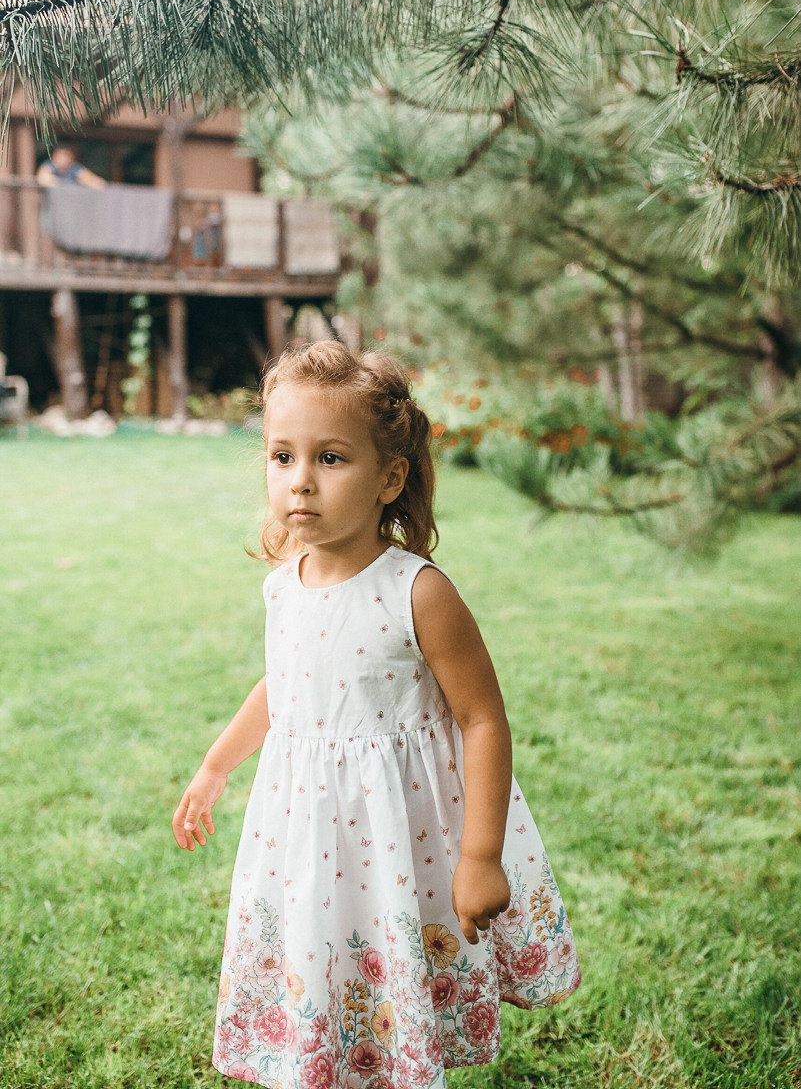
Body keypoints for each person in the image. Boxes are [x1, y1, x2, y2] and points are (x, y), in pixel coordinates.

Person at [172, 341, 580, 1088]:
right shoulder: (284, 586)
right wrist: (215, 766)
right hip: (307, 829)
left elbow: (483, 719)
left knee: (392, 970)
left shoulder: (417, 592)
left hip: (396, 835)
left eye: (329, 458)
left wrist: (480, 856)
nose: (300, 480)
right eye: (282, 457)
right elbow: (284, 686)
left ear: (389, 477)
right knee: (321, 955)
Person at [36, 143, 105, 189]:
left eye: (66, 156)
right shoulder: (49, 166)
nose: (63, 159)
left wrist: (84, 182)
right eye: (60, 156)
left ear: (71, 157)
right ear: (54, 156)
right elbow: (42, 179)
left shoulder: (74, 168)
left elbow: (98, 182)